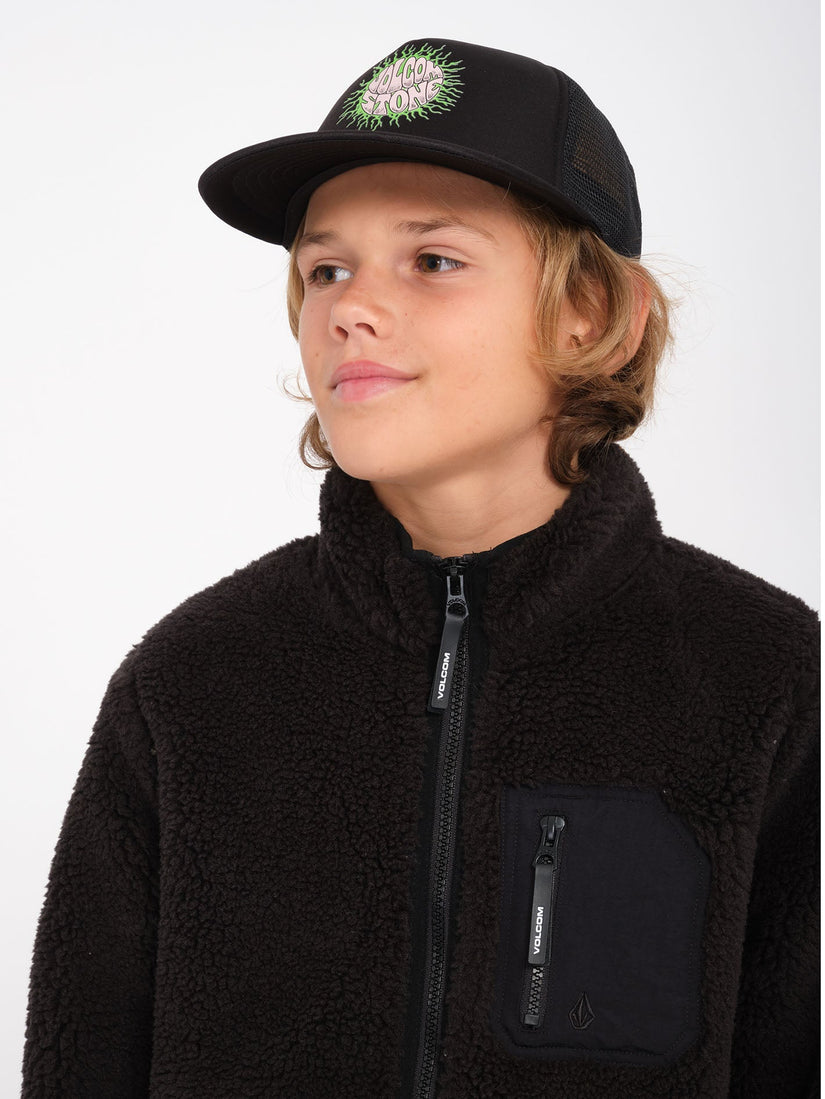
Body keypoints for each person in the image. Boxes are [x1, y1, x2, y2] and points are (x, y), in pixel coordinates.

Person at [22, 38, 818, 1099]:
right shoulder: (191, 684)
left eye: (433, 260)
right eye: (325, 269)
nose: (348, 308)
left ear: (592, 311)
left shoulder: (762, 676)